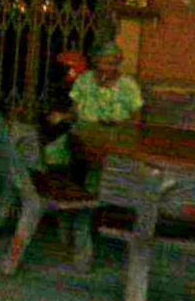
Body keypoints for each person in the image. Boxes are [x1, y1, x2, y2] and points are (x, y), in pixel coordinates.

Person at [45, 41, 143, 190]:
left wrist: (123, 129)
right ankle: (75, 188)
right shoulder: (85, 80)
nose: (107, 68)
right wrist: (63, 116)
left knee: (101, 154)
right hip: (85, 131)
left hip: (114, 134)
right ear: (96, 62)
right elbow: (75, 110)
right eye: (103, 63)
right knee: (63, 149)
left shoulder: (128, 85)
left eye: (112, 64)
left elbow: (136, 115)